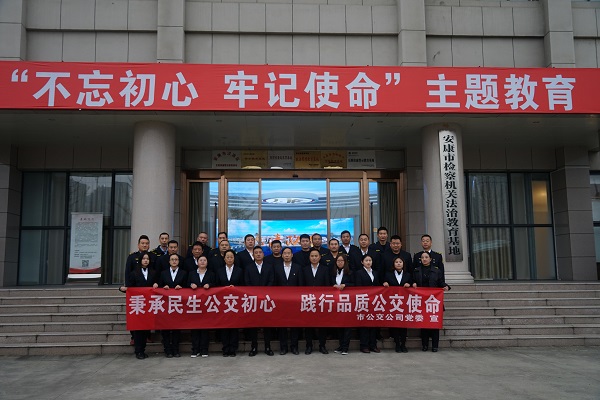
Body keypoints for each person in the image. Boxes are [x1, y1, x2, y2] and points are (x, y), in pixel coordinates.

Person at [412, 252, 450, 353]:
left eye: (426, 257)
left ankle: (435, 346)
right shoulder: (416, 270)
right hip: (422, 301)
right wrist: (413, 283)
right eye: (422, 258)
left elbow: (440, 282)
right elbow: (413, 280)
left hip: (433, 300)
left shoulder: (436, 270)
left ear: (430, 259)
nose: (424, 259)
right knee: (424, 323)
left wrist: (445, 286)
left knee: (434, 323)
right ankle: (424, 345)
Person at [153, 253, 187, 358]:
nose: (174, 261)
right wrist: (164, 287)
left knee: (176, 328)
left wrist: (181, 287)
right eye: (172, 259)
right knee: (166, 328)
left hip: (178, 305)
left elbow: (187, 286)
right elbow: (159, 285)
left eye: (176, 259)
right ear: (169, 261)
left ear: (179, 261)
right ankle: (167, 350)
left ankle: (176, 350)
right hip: (166, 304)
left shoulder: (183, 273)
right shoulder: (163, 273)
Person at [125, 251, 158, 359]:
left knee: (146, 329)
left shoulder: (153, 272)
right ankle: (138, 351)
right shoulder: (134, 273)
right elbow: (129, 287)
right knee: (139, 329)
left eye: (147, 259)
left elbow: (158, 284)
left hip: (149, 304)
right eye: (144, 259)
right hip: (138, 304)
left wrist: (156, 284)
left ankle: (143, 349)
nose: (146, 260)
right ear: (140, 260)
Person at [244, 246, 275, 356]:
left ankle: (268, 347)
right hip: (253, 299)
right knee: (253, 324)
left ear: (263, 254)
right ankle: (254, 347)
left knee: (267, 324)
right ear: (253, 255)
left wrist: (264, 292)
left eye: (260, 252)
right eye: (256, 252)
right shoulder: (248, 267)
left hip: (266, 299)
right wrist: (254, 293)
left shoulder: (269, 266)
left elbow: (271, 280)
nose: (258, 254)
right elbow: (247, 282)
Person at [273, 247, 304, 355]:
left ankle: (294, 347)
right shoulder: (277, 267)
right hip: (281, 301)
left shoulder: (297, 267)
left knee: (295, 324)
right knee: (282, 325)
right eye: (285, 253)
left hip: (294, 301)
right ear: (282, 255)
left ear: (292, 255)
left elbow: (301, 285)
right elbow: (274, 285)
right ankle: (283, 347)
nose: (286, 255)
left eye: (288, 253)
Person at [301, 249, 331, 355]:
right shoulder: (304, 269)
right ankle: (309, 346)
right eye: (312, 256)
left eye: (316, 256)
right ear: (309, 257)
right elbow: (302, 286)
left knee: (322, 325)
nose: (314, 258)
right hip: (308, 301)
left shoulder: (325, 269)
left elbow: (327, 285)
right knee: (308, 325)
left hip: (321, 301)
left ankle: (322, 345)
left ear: (319, 257)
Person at [215, 249, 244, 357]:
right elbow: (216, 285)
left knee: (234, 325)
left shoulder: (239, 270)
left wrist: (235, 288)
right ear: (224, 259)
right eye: (227, 257)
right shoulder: (219, 271)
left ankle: (233, 348)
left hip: (235, 302)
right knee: (225, 325)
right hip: (223, 302)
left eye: (231, 257)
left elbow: (243, 285)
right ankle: (225, 348)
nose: (230, 259)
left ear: (234, 258)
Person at [187, 254, 215, 358]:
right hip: (195, 304)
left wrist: (210, 285)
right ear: (197, 262)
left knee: (205, 328)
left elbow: (216, 284)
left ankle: (204, 349)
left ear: (207, 262)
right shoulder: (192, 273)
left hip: (207, 304)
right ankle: (195, 349)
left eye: (204, 260)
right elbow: (186, 284)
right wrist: (191, 285)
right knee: (195, 328)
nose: (202, 262)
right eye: (200, 260)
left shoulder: (211, 274)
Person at [383, 256, 412, 353]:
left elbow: (413, 285)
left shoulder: (408, 275)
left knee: (404, 324)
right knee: (394, 324)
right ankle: (397, 344)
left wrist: (409, 285)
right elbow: (383, 284)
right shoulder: (388, 275)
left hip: (404, 303)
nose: (398, 263)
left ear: (403, 264)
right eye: (396, 262)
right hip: (392, 303)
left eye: (400, 262)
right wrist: (385, 283)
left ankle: (403, 344)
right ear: (393, 264)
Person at [353, 254, 380, 353]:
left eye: (370, 260)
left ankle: (373, 345)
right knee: (364, 324)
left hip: (374, 302)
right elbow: (358, 287)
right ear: (362, 262)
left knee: (373, 323)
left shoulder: (375, 273)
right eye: (366, 260)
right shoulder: (359, 273)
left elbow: (378, 286)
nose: (368, 262)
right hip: (363, 301)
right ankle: (364, 345)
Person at [331, 254, 353, 355]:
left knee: (347, 325)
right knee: (339, 324)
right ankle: (341, 345)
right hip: (336, 302)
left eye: (342, 261)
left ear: (345, 262)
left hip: (347, 302)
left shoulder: (350, 272)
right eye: (338, 261)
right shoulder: (333, 273)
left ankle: (345, 347)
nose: (340, 263)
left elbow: (355, 284)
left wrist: (346, 285)